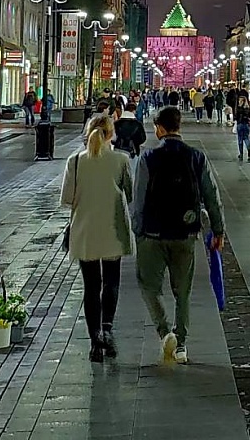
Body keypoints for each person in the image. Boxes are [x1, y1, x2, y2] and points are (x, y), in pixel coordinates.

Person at [131, 106, 226, 365]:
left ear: (160, 128)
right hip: (185, 232)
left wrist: (137, 231)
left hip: (152, 233)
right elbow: (212, 196)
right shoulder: (196, 157)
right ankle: (181, 344)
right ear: (179, 126)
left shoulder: (148, 158)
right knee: (182, 291)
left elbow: (138, 200)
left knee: (149, 285)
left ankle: (165, 333)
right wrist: (218, 230)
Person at [64, 114, 135, 362]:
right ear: (111, 134)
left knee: (91, 286)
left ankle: (94, 340)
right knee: (111, 282)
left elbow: (67, 199)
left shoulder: (75, 161)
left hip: (85, 231)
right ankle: (107, 329)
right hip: (113, 229)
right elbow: (130, 193)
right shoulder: (121, 160)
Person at [233, 94, 250, 161]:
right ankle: (249, 153)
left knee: (240, 139)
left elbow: (236, 116)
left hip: (240, 124)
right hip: (246, 124)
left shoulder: (238, 108)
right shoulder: (248, 108)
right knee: (247, 139)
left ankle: (241, 154)